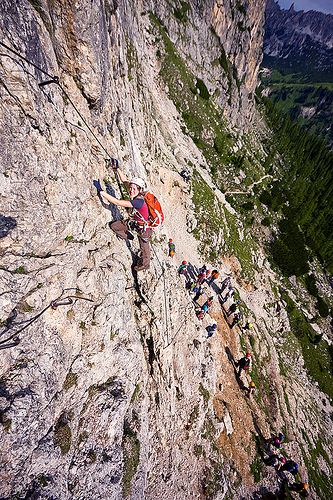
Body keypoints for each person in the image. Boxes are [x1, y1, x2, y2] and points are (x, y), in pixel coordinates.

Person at [98, 169, 152, 271]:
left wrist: (101, 192)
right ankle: (129, 236)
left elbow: (118, 202)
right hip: (135, 223)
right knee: (114, 227)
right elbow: (125, 181)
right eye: (131, 188)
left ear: (139, 189)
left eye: (134, 189)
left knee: (144, 248)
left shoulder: (139, 202)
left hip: (144, 229)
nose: (131, 190)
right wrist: (117, 169)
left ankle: (145, 264)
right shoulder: (138, 193)